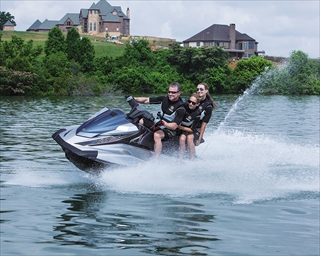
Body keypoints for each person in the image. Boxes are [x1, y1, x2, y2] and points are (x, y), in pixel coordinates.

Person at [134, 82, 185, 159]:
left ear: (179, 93)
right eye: (169, 92)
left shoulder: (181, 108)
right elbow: (146, 100)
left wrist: (163, 123)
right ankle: (137, 144)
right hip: (158, 124)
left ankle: (156, 159)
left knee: (157, 135)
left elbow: (174, 126)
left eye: (173, 92)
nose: (170, 94)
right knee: (140, 121)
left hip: (170, 130)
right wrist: (133, 99)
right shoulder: (164, 99)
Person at [178, 93, 201, 160]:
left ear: (197, 104)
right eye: (189, 101)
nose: (190, 104)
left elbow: (192, 130)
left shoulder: (197, 113)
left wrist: (180, 127)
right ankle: (180, 158)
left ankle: (192, 159)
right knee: (182, 139)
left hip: (190, 129)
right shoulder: (184, 106)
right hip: (181, 129)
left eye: (193, 103)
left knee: (189, 138)